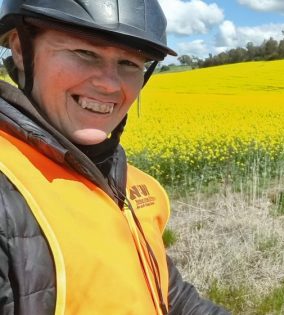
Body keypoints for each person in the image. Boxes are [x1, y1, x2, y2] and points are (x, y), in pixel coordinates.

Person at [0, 1, 229, 314]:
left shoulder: (131, 184)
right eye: (85, 53)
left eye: (129, 64)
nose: (109, 83)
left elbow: (172, 299)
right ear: (21, 50)